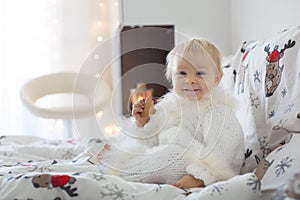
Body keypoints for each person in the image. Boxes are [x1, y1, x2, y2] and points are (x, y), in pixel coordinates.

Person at [98, 38, 245, 189]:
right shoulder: (171, 106)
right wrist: (145, 122)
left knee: (173, 156)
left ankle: (120, 172)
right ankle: (119, 165)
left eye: (200, 73)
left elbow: (223, 152)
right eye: (182, 73)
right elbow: (153, 142)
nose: (190, 80)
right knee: (154, 154)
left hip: (198, 164)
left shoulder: (217, 111)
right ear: (171, 77)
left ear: (216, 79)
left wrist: (200, 177)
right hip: (170, 154)